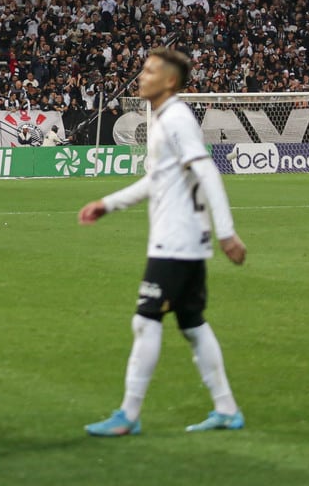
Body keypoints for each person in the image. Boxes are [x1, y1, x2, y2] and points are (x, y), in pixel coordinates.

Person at [78, 48, 248, 437]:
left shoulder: (177, 118)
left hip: (176, 240)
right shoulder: (163, 119)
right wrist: (108, 204)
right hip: (183, 239)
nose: (141, 76)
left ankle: (128, 415)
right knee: (192, 323)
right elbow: (156, 181)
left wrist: (226, 231)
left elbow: (206, 170)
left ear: (170, 80)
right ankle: (226, 409)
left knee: (145, 320)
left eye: (150, 71)